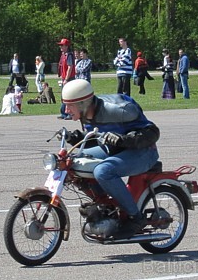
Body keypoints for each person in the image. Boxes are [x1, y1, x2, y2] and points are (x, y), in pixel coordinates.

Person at [61, 79, 160, 237]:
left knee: (103, 171)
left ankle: (136, 217)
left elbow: (152, 132)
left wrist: (123, 139)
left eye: (70, 105)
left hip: (143, 151)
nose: (66, 110)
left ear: (83, 103)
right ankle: (105, 205)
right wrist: (76, 138)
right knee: (73, 163)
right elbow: (97, 136)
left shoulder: (120, 110)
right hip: (114, 149)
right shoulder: (86, 114)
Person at [57, 38, 76, 119]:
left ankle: (70, 114)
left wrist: (67, 79)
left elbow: (70, 67)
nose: (60, 47)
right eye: (60, 45)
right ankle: (63, 113)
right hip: (64, 78)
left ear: (66, 46)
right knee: (63, 96)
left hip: (69, 78)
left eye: (62, 45)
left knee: (68, 97)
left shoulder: (69, 55)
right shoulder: (63, 55)